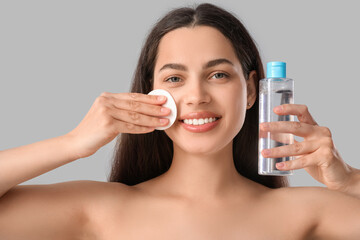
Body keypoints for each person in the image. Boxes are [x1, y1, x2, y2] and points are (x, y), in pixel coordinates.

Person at [1, 3, 360, 239]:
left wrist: (348, 180)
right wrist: (72, 144)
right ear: (148, 93)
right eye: (174, 78)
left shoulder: (305, 213)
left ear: (251, 90)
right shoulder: (100, 210)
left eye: (218, 75)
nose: (197, 96)